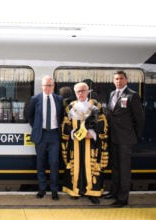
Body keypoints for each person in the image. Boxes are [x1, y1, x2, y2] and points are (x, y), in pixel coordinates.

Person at [61, 82, 108, 204]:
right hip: (75, 143)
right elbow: (65, 124)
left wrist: (92, 134)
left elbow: (103, 122)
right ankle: (75, 190)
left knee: (91, 167)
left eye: (83, 91)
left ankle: (92, 193)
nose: (80, 93)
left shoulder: (95, 106)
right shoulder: (70, 107)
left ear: (88, 91)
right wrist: (73, 133)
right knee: (75, 166)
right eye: (78, 91)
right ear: (75, 93)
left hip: (91, 143)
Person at [104, 70, 144, 207]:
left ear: (126, 80)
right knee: (115, 167)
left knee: (124, 169)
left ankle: (122, 198)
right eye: (116, 79)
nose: (118, 81)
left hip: (125, 139)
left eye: (121, 78)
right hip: (113, 137)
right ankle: (114, 192)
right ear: (113, 81)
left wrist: (133, 136)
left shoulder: (132, 96)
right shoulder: (112, 94)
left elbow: (140, 119)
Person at [28, 76, 63, 200]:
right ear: (42, 86)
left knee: (54, 163)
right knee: (40, 163)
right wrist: (37, 127)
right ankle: (42, 189)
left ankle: (54, 190)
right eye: (45, 85)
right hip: (41, 135)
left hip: (54, 135)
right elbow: (29, 116)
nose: (48, 88)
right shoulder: (35, 99)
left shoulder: (59, 99)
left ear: (53, 86)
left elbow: (61, 117)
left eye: (50, 85)